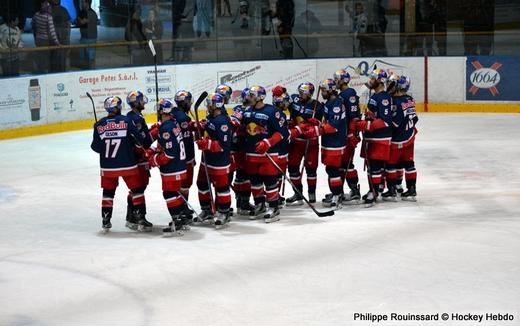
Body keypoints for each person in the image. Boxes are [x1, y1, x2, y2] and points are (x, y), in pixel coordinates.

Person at [90, 96, 148, 232]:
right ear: (117, 108)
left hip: (107, 167)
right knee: (137, 190)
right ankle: (140, 218)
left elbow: (96, 147)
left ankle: (106, 220)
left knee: (108, 193)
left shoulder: (99, 125)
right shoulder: (127, 121)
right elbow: (138, 140)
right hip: (128, 164)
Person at [242, 86, 284, 222]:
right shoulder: (247, 112)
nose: (249, 98)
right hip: (251, 153)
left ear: (260, 97)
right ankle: (259, 204)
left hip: (268, 154)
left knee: (270, 180)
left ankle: (274, 207)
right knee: (255, 181)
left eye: (252, 95)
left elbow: (283, 133)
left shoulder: (272, 111)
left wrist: (268, 142)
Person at [147, 99, 189, 236]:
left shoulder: (166, 128)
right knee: (174, 193)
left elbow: (169, 154)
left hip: (173, 168)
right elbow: (166, 146)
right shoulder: (173, 124)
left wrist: (153, 160)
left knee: (169, 194)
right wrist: (154, 150)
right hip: (179, 166)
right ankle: (181, 218)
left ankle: (177, 222)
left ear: (161, 111)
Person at [351, 69, 393, 206]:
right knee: (373, 167)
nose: (370, 80)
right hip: (372, 138)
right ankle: (376, 189)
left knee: (374, 167)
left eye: (373, 78)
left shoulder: (384, 98)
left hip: (379, 138)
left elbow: (385, 120)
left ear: (380, 81)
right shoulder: (375, 95)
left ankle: (373, 192)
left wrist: (367, 125)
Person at [304, 79, 346, 208]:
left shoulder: (337, 104)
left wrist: (316, 130)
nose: (322, 92)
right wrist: (317, 123)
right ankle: (335, 193)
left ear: (331, 90)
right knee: (330, 169)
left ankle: (337, 195)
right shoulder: (330, 103)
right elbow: (327, 122)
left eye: (324, 90)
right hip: (329, 142)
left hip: (336, 142)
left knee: (333, 170)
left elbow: (334, 125)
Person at [195, 93, 233, 228]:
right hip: (207, 159)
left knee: (222, 188)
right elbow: (207, 133)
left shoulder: (222, 122)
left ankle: (224, 212)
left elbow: (224, 146)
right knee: (201, 184)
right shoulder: (211, 118)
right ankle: (207, 211)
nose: (208, 106)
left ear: (216, 105)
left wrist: (207, 144)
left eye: (210, 103)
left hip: (219, 162)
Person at [286, 82, 323, 206]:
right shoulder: (294, 101)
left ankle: (311, 194)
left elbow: (322, 123)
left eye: (303, 93)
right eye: (300, 92)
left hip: (311, 142)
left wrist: (316, 122)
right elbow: (283, 104)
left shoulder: (317, 106)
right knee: (292, 168)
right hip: (296, 141)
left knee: (311, 170)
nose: (300, 94)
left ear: (310, 94)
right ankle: (298, 193)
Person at [383, 74, 418, 201]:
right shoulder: (410, 99)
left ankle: (392, 190)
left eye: (391, 84)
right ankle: (411, 189)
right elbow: (415, 118)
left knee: (391, 164)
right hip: (409, 137)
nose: (388, 87)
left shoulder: (395, 102)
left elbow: (395, 124)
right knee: (409, 163)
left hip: (397, 139)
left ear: (397, 86)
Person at [330, 69, 361, 204]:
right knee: (342, 163)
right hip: (343, 134)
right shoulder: (342, 94)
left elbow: (354, 117)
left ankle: (354, 190)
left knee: (347, 163)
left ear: (343, 80)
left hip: (348, 134)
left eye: (337, 79)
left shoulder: (349, 93)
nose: (335, 81)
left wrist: (351, 133)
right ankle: (340, 191)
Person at [125, 91, 154, 231]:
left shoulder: (129, 117)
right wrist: (155, 132)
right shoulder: (138, 119)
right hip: (139, 158)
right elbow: (146, 142)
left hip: (131, 159)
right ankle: (139, 217)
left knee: (135, 188)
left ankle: (130, 216)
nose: (143, 102)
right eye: (141, 100)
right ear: (136, 103)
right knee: (140, 187)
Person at [230, 88, 255, 216]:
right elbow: (235, 123)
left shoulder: (239, 109)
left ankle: (240, 202)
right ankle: (243, 203)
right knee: (245, 175)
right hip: (241, 147)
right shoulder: (244, 110)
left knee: (240, 176)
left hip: (238, 146)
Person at [173, 90, 197, 219]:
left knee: (180, 184)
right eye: (188, 101)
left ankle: (181, 207)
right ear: (184, 102)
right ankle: (182, 208)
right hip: (185, 156)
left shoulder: (174, 114)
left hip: (176, 157)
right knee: (185, 184)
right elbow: (187, 140)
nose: (190, 103)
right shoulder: (183, 118)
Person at [271, 86, 292, 206]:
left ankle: (275, 195)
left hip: (278, 148)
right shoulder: (278, 114)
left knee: (277, 175)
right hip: (279, 149)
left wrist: (283, 91)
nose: (287, 104)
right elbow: (283, 134)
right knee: (276, 175)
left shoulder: (277, 112)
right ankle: (274, 196)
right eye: (284, 102)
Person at [32, 0, 60, 73]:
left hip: (38, 40)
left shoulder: (36, 15)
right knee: (45, 59)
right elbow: (52, 32)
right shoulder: (48, 17)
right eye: (47, 6)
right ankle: (45, 74)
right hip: (45, 41)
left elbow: (33, 26)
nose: (49, 7)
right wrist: (57, 43)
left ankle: (40, 72)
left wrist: (35, 37)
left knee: (40, 58)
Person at [76, 0, 98, 69]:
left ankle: (91, 72)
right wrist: (79, 20)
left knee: (91, 58)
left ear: (87, 3)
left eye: (83, 2)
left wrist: (79, 19)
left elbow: (82, 22)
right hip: (83, 38)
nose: (82, 4)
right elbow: (78, 22)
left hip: (90, 38)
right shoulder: (82, 12)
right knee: (84, 58)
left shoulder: (91, 13)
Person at [50, 0, 70, 72]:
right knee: (53, 59)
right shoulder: (49, 10)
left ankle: (62, 73)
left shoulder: (64, 10)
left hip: (63, 38)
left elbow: (68, 24)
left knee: (62, 59)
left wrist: (68, 37)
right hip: (52, 38)